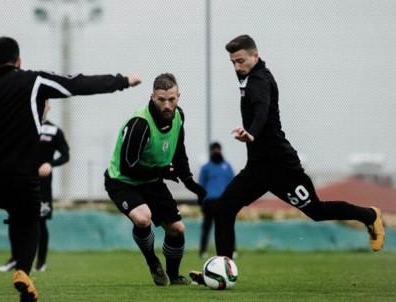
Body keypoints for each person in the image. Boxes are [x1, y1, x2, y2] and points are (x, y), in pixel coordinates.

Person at [0, 37, 141, 301]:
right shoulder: (33, 81)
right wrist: (121, 81)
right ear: (19, 61)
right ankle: (23, 273)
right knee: (28, 224)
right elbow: (76, 84)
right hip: (22, 180)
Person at [190, 34, 385, 283]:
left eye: (240, 61)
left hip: (283, 168)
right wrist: (250, 130)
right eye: (233, 62)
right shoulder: (252, 77)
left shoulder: (258, 80)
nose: (237, 67)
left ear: (255, 56)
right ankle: (222, 271)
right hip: (258, 169)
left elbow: (261, 110)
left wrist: (251, 132)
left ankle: (370, 215)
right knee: (224, 209)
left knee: (316, 211)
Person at [104, 73, 207, 286]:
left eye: (171, 99)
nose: (167, 105)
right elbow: (128, 167)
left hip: (151, 179)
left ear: (178, 96)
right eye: (161, 99)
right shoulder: (140, 124)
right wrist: (161, 172)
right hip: (122, 181)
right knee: (143, 219)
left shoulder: (179, 116)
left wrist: (190, 183)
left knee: (177, 229)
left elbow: (179, 150)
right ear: (152, 97)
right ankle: (153, 263)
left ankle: (174, 276)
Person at [0, 100, 70, 273]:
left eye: (43, 104)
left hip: (41, 186)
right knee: (14, 220)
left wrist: (50, 164)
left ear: (48, 108)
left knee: (39, 222)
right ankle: (15, 259)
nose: (40, 107)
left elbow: (65, 155)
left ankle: (41, 262)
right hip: (18, 182)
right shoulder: (21, 126)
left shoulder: (54, 130)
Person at [198, 142, 234, 258]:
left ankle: (231, 250)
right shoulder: (206, 167)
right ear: (211, 151)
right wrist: (201, 201)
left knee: (227, 226)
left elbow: (233, 183)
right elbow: (201, 184)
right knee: (207, 227)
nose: (216, 151)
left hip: (224, 201)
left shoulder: (227, 166)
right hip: (209, 201)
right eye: (214, 149)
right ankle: (203, 251)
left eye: (218, 149)